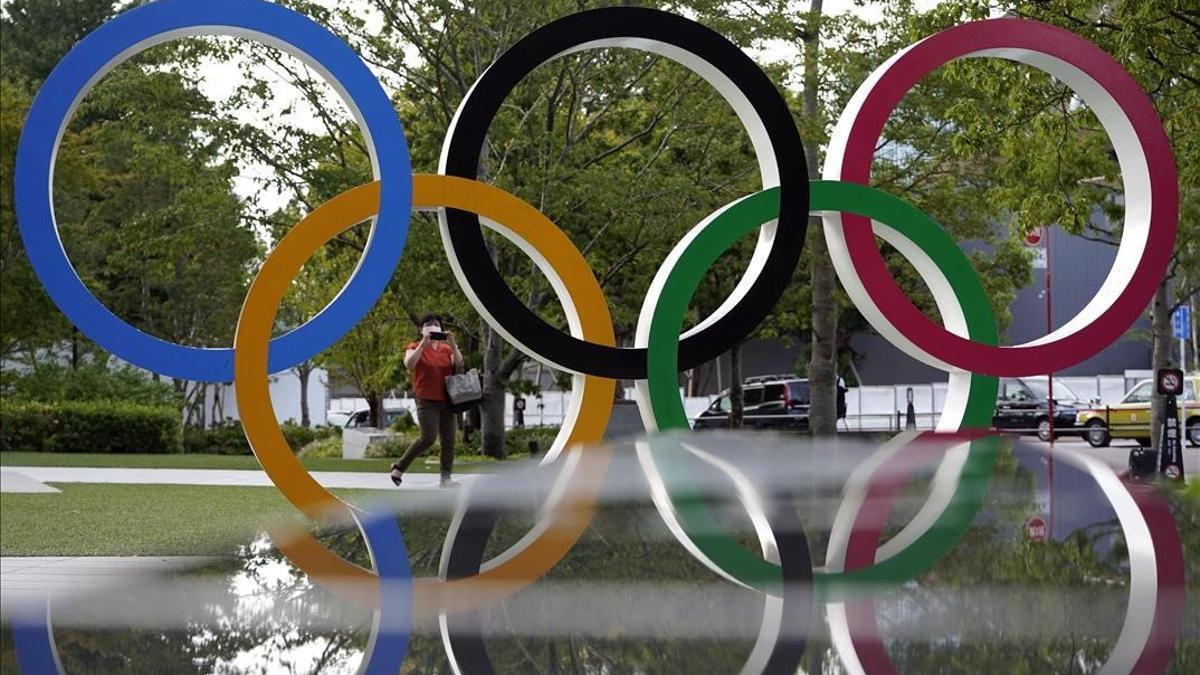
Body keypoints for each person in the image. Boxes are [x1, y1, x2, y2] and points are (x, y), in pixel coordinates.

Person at [389, 314, 464, 488]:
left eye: (436, 324)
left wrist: (452, 343)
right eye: (428, 324)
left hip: (447, 399)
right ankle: (399, 468)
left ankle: (446, 479)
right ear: (421, 330)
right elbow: (409, 364)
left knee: (448, 441)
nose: (433, 326)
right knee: (428, 438)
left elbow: (459, 364)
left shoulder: (446, 350)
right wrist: (424, 343)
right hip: (426, 399)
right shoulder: (414, 346)